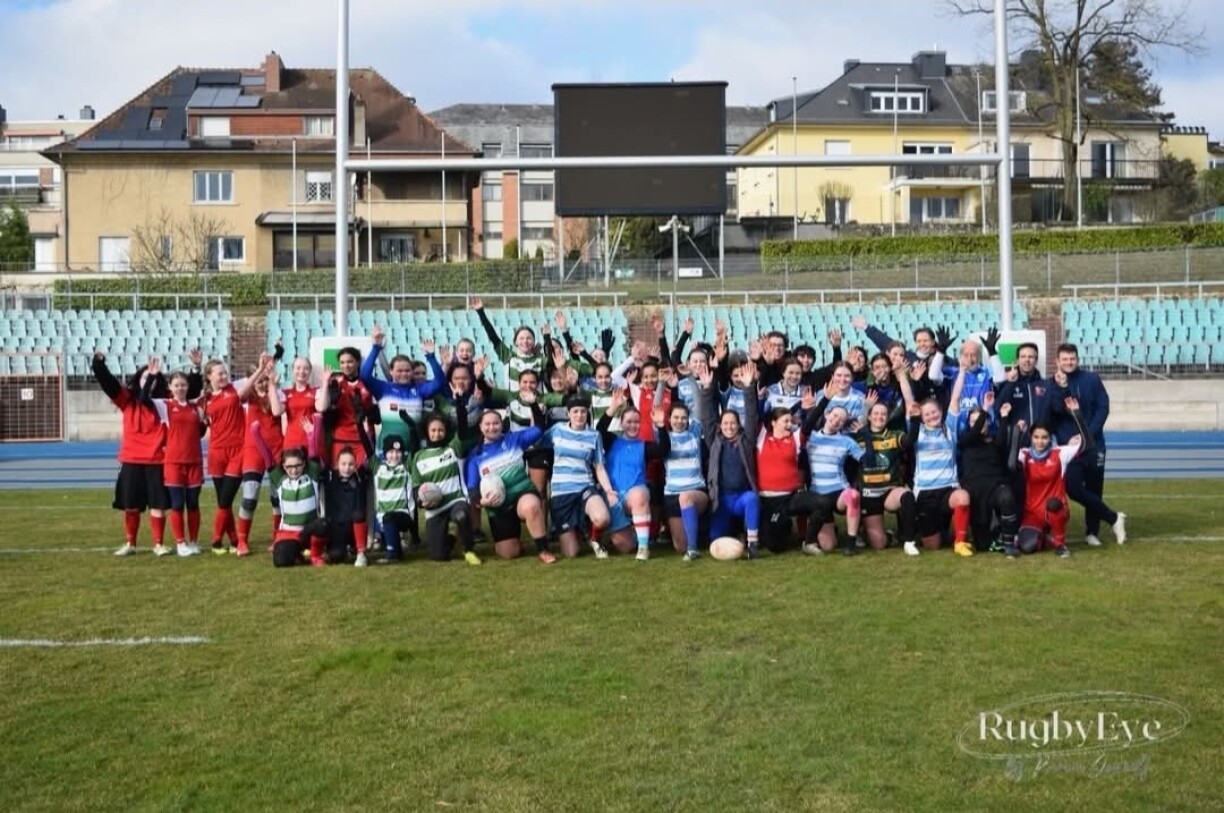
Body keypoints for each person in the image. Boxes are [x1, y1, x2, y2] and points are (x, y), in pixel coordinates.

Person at [1049, 343, 1127, 546]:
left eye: (1072, 358)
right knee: (1072, 488)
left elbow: (1103, 407)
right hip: (1070, 448)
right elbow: (1056, 411)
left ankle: (1092, 532)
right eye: (1064, 359)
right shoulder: (1053, 384)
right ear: (1057, 361)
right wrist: (1063, 388)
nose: (1069, 362)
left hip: (1094, 444)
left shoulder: (1091, 379)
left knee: (1094, 489)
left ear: (1078, 359)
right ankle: (1113, 518)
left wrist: (1087, 435)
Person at [95, 351, 170, 556]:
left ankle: (158, 544)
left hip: (157, 460)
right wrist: (99, 365)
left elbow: (189, 392)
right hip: (131, 459)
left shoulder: (164, 403)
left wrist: (196, 370)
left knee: (158, 504)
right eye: (146, 376)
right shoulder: (127, 400)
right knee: (130, 505)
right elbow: (108, 384)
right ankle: (131, 543)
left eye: (153, 377)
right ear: (139, 379)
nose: (150, 380)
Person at [201, 353, 273, 556]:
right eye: (219, 374)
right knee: (222, 500)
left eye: (225, 373)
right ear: (209, 377)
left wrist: (260, 368)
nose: (224, 376)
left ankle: (216, 542)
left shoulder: (235, 389)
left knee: (226, 499)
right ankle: (233, 540)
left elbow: (253, 381)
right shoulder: (205, 399)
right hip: (216, 452)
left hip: (238, 451)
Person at [465, 408, 553, 563]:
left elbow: (539, 429)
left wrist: (533, 404)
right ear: (480, 427)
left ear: (502, 424)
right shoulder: (475, 456)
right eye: (487, 424)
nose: (492, 427)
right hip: (498, 505)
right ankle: (507, 544)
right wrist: (481, 502)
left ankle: (543, 549)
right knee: (509, 553)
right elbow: (472, 489)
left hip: (522, 492)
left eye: (496, 423)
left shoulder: (514, 439)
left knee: (531, 506)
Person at [1012, 398, 1090, 559]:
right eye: (1036, 437)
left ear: (1050, 438)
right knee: (1027, 547)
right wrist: (1016, 434)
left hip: (1056, 508)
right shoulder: (1024, 454)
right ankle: (1046, 538)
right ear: (1031, 438)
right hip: (1032, 513)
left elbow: (1087, 444)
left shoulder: (1059, 453)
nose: (1040, 441)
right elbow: (1010, 462)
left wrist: (1077, 415)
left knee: (1053, 504)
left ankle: (1061, 545)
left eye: (1044, 437)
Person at [909, 365, 972, 555]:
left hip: (948, 489)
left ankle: (960, 543)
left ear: (940, 412)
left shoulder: (949, 428)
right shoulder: (916, 431)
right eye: (927, 414)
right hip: (925, 493)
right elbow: (908, 401)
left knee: (963, 497)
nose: (931, 416)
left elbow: (955, 398)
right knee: (933, 546)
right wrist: (903, 378)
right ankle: (936, 531)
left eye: (934, 412)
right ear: (921, 417)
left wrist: (962, 370)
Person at [701, 363, 762, 558]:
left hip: (741, 498)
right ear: (721, 425)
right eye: (725, 423)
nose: (729, 426)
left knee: (752, 499)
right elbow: (707, 418)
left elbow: (752, 414)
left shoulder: (746, 440)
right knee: (715, 538)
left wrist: (748, 387)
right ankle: (736, 535)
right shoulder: (714, 441)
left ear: (738, 425)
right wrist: (707, 389)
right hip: (721, 501)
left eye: (733, 423)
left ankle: (752, 544)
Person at [145, 364, 207, 556]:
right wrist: (152, 377)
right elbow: (144, 399)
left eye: (183, 385)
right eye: (177, 385)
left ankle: (194, 541)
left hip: (194, 461)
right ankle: (180, 543)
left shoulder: (195, 407)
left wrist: (203, 422)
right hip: (174, 462)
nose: (180, 388)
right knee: (178, 504)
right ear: (170, 388)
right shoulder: (165, 406)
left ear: (187, 387)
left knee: (193, 504)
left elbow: (199, 433)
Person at [544, 394, 616, 559]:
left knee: (602, 518)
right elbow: (539, 442)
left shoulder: (594, 435)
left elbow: (599, 467)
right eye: (575, 411)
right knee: (572, 553)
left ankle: (594, 537)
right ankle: (581, 528)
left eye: (583, 412)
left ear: (587, 414)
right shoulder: (557, 430)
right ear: (568, 414)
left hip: (584, 486)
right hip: (561, 493)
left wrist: (609, 490)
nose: (579, 415)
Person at [596, 389, 665, 560]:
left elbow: (664, 449)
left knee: (639, 495)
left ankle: (643, 547)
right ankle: (634, 531)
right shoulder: (612, 440)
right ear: (621, 423)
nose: (633, 425)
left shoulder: (644, 446)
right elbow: (600, 430)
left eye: (636, 422)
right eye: (629, 422)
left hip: (634, 494)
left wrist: (661, 426)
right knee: (625, 546)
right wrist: (613, 407)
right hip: (613, 497)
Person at [411, 409, 481, 565]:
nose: (437, 434)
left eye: (441, 430)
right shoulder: (419, 457)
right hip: (435, 508)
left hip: (455, 500)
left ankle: (468, 550)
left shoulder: (453, 448)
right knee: (439, 556)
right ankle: (452, 540)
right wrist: (422, 502)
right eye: (433, 430)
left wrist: (460, 403)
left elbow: (462, 429)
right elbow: (416, 487)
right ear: (427, 432)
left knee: (461, 515)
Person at [361, 325, 446, 450]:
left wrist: (431, 357)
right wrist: (376, 347)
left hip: (412, 450)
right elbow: (364, 376)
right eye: (399, 370)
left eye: (407, 370)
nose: (404, 374)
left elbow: (439, 382)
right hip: (387, 451)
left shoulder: (418, 390)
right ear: (391, 371)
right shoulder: (383, 388)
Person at [795, 405, 864, 556]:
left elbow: (865, 460)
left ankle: (851, 542)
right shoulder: (810, 437)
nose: (837, 420)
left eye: (841, 419)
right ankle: (832, 530)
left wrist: (864, 434)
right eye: (835, 415)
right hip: (817, 496)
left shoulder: (847, 441)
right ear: (826, 414)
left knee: (853, 496)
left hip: (839, 492)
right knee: (828, 546)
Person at [958, 392, 1020, 553]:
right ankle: (991, 533)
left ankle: (1008, 543)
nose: (979, 424)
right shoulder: (965, 440)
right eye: (974, 421)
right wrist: (985, 408)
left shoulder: (992, 440)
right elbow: (975, 431)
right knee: (982, 545)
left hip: (995, 486)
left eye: (983, 421)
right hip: (974, 490)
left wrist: (1004, 416)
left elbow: (1002, 442)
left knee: (1006, 497)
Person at [236, 362, 286, 555]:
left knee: (277, 498)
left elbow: (276, 411)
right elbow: (240, 395)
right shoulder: (250, 396)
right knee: (250, 496)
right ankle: (242, 541)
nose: (262, 383)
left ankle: (276, 538)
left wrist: (272, 383)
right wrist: (258, 372)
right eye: (259, 380)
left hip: (275, 449)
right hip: (253, 450)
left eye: (265, 380)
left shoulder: (277, 393)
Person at [655, 400, 709, 561]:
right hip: (671, 494)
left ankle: (693, 550)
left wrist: (692, 377)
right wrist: (662, 384)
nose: (680, 421)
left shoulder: (694, 433)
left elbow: (699, 404)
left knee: (685, 497)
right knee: (679, 547)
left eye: (684, 418)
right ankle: (692, 543)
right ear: (669, 419)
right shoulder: (663, 437)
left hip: (696, 490)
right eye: (676, 417)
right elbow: (656, 407)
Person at [471, 296, 546, 386]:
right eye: (521, 338)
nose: (525, 341)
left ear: (534, 342)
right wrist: (481, 312)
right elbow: (493, 337)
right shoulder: (508, 356)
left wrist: (546, 338)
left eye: (529, 338)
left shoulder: (540, 359)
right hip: (513, 400)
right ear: (515, 342)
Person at [371, 434, 419, 563]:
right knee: (386, 527)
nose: (395, 455)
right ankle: (396, 552)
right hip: (383, 518)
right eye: (391, 452)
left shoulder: (406, 466)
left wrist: (412, 428)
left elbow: (414, 447)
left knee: (389, 518)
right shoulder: (378, 468)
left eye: (398, 452)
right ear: (385, 453)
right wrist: (360, 426)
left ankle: (392, 556)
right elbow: (368, 449)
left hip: (404, 515)